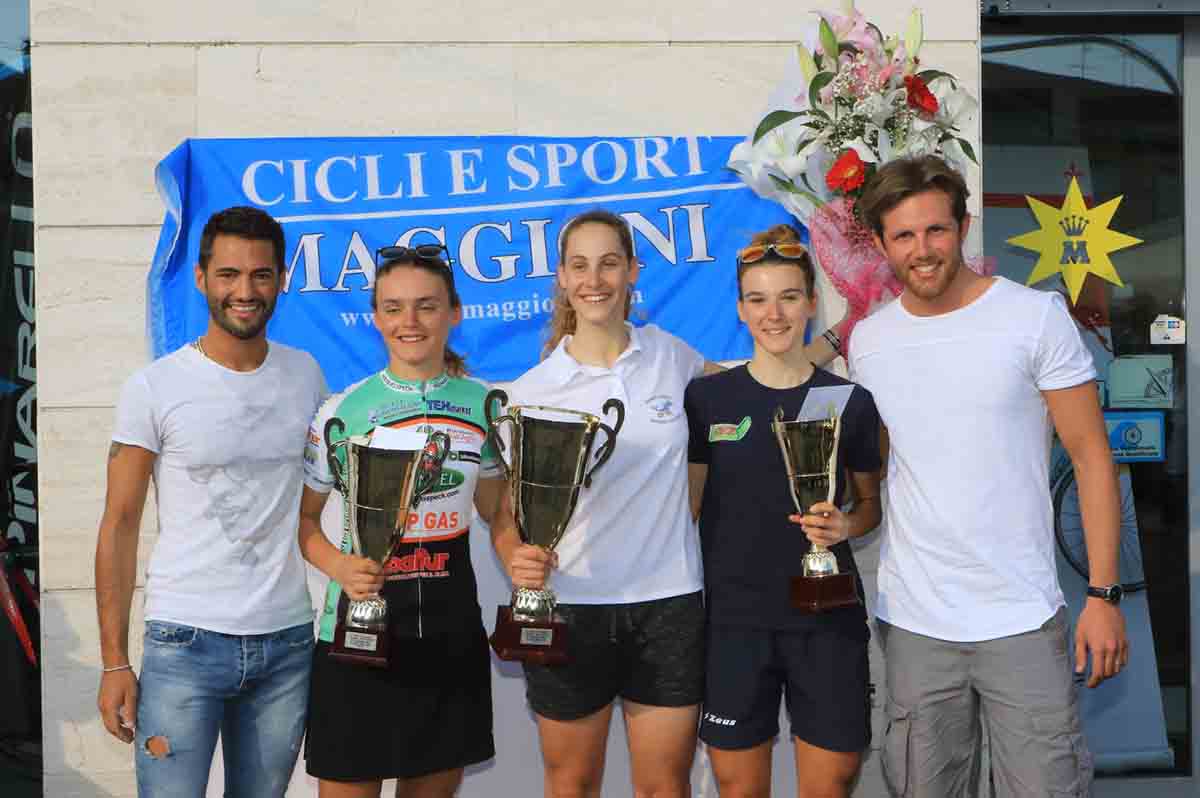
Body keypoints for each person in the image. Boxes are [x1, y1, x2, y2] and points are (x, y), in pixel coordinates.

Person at [850, 154, 1129, 798]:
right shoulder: (870, 342)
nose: (922, 250)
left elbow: (1091, 459)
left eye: (935, 230)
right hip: (917, 625)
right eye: (904, 236)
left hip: (1023, 618)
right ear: (884, 247)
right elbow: (884, 470)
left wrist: (1104, 595)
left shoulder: (1034, 318)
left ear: (963, 227)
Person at [94, 206, 328, 796]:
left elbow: (315, 506)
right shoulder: (155, 387)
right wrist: (115, 661)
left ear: (281, 278)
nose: (244, 291)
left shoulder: (306, 376)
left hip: (287, 643)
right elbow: (119, 524)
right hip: (183, 643)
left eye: (260, 275)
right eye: (228, 275)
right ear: (200, 278)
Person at [490, 208, 717, 798]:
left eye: (610, 263)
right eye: (580, 266)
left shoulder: (675, 359)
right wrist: (516, 556)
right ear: (562, 277)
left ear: (633, 271)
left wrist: (826, 346)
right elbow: (507, 515)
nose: (596, 280)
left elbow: (750, 398)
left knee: (665, 787)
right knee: (571, 785)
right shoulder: (530, 392)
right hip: (571, 607)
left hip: (668, 605)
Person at [299, 244, 505, 798]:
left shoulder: (486, 405)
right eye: (393, 308)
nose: (408, 322)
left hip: (449, 634)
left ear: (454, 313)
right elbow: (305, 526)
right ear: (375, 317)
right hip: (357, 633)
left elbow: (497, 512)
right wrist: (340, 566)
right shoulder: (342, 410)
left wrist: (524, 559)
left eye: (426, 306)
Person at [684, 224, 882, 798]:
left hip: (828, 619)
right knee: (738, 789)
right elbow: (688, 508)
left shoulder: (850, 401)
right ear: (741, 309)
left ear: (812, 303)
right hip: (735, 625)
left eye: (789, 296)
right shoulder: (708, 400)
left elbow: (869, 504)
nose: (774, 313)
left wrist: (847, 524)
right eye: (758, 298)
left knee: (830, 785)